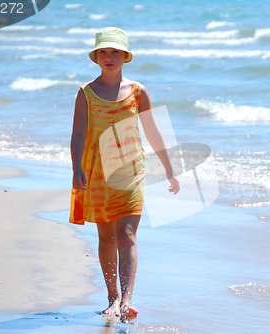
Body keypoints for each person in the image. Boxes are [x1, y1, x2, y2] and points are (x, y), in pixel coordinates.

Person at [69, 27, 180, 322]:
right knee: (107, 238)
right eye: (103, 52)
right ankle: (112, 298)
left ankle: (128, 299)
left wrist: (169, 168)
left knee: (127, 234)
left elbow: (153, 131)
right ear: (96, 57)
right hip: (97, 173)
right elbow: (78, 133)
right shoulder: (86, 93)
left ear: (125, 56)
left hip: (131, 171)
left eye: (114, 51)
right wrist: (76, 168)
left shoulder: (138, 91)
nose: (109, 57)